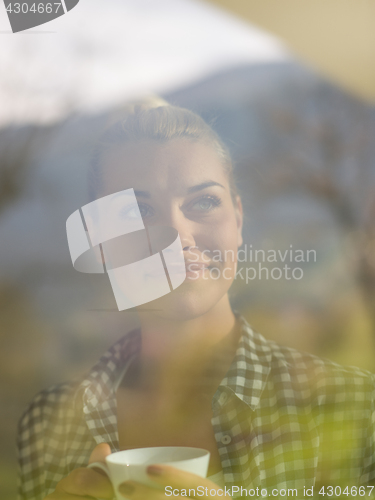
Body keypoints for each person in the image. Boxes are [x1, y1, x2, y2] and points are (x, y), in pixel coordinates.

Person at [17, 102, 375, 500]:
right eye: (138, 210)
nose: (177, 235)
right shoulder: (48, 424)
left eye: (203, 202)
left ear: (237, 219)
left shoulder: (359, 409)